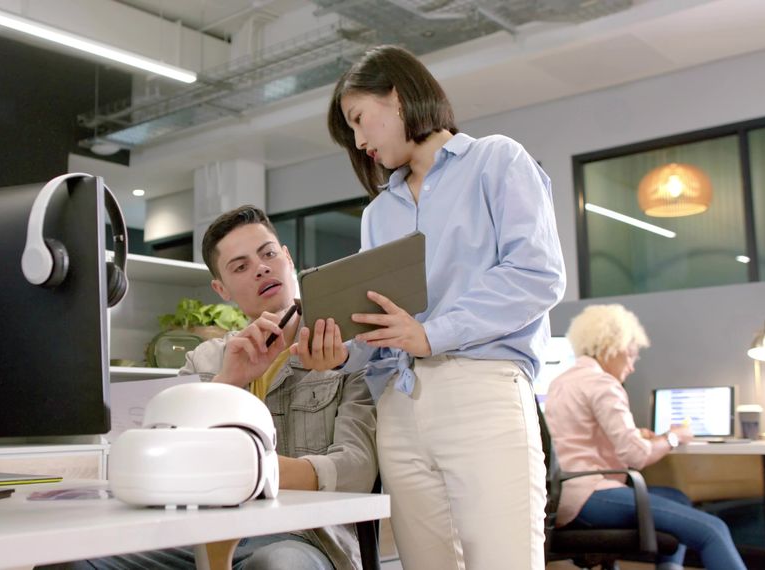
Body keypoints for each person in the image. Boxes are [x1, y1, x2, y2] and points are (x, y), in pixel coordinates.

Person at [324, 45, 566, 570]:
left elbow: (537, 275)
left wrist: (432, 334)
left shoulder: (496, 160)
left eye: (359, 120)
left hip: (481, 389)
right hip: (399, 407)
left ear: (396, 94)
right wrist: (339, 356)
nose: (360, 141)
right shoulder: (378, 213)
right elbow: (381, 326)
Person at [41, 205, 377, 570]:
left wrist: (251, 471)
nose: (261, 268)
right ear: (222, 289)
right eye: (240, 266)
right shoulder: (205, 361)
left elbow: (357, 469)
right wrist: (228, 382)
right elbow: (161, 462)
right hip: (199, 533)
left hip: (303, 536)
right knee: (70, 563)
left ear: (287, 258)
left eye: (267, 254)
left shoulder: (347, 354)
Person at [544, 304, 747, 570]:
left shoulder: (562, 382)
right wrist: (673, 438)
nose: (631, 366)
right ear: (611, 346)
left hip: (561, 497)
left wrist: (637, 436)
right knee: (713, 530)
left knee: (676, 499)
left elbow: (577, 436)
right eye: (631, 356)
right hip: (589, 497)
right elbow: (636, 456)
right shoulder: (603, 384)